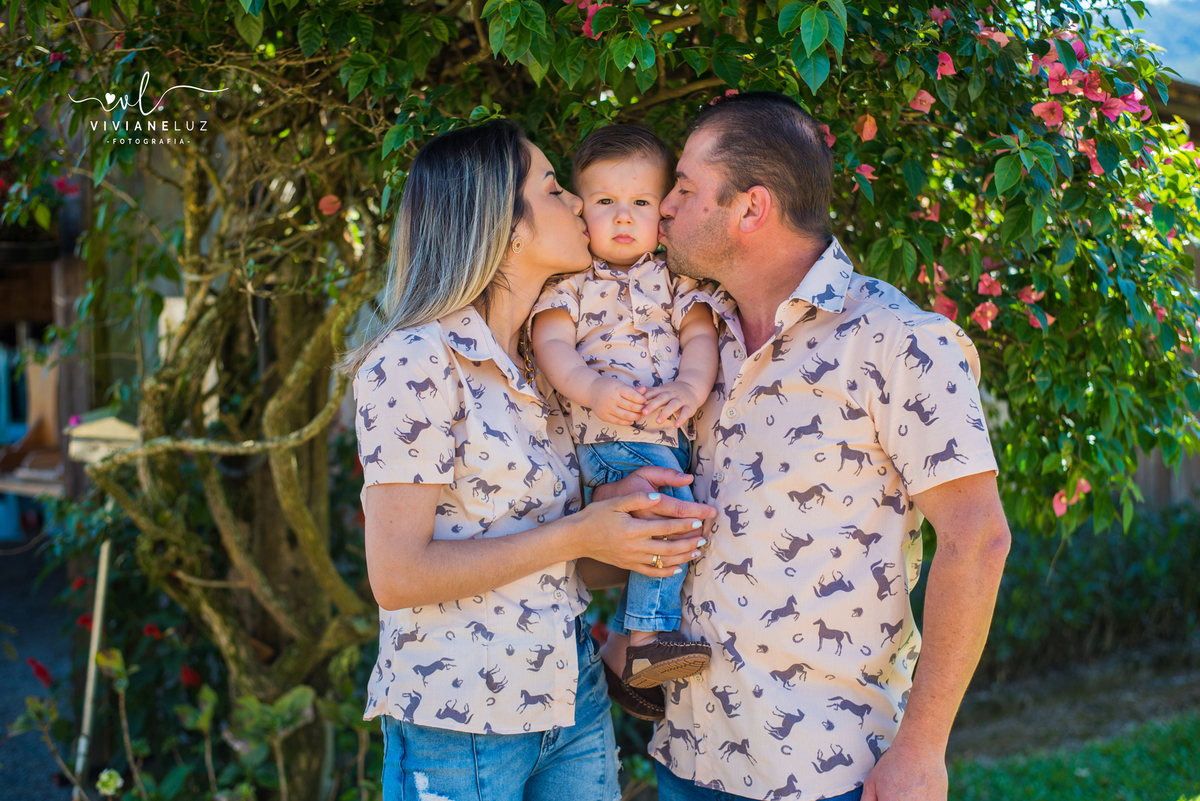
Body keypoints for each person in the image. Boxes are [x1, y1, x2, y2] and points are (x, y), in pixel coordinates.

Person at [595, 92, 1012, 801]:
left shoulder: (898, 340)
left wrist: (923, 747)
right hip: (690, 758)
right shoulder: (693, 341)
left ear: (750, 209)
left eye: (686, 190)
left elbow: (978, 537)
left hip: (830, 773)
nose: (663, 207)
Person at [341, 118, 715, 801]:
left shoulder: (547, 374)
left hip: (568, 696)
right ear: (506, 226)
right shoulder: (417, 359)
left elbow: (559, 561)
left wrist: (632, 524)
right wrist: (578, 531)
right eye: (552, 188)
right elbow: (396, 574)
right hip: (461, 721)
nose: (577, 202)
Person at [531, 124, 719, 701]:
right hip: (607, 437)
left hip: (665, 439)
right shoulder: (570, 281)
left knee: (659, 526)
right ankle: (644, 640)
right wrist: (589, 387)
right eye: (605, 202)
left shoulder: (675, 279)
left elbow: (700, 339)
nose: (621, 217)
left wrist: (690, 387)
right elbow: (551, 343)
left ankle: (618, 646)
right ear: (579, 211)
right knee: (672, 516)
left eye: (639, 202)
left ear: (661, 214)